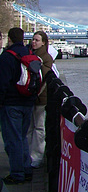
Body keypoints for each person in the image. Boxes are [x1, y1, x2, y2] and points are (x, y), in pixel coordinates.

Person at [0, 28, 35, 185]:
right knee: (22, 137)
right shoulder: (30, 55)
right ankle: (27, 169)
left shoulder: (7, 57)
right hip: (28, 102)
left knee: (12, 139)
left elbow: (2, 83)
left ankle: (17, 173)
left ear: (10, 39)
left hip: (11, 103)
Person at [27, 31, 54, 169]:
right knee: (30, 128)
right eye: (33, 39)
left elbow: (45, 79)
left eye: (37, 40)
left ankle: (36, 157)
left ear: (44, 42)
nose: (34, 42)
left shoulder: (46, 57)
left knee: (39, 128)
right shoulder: (31, 54)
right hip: (30, 97)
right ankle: (28, 155)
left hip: (40, 98)